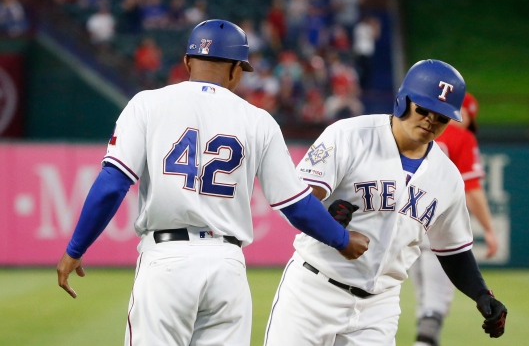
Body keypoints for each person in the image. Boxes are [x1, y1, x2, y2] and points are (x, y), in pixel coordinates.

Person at [56, 19, 370, 346]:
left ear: (187, 62)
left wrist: (76, 248)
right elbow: (297, 205)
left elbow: (113, 184)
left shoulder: (147, 104)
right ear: (236, 70)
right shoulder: (258, 120)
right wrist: (342, 239)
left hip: (167, 260)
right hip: (227, 267)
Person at [263, 59, 507, 346]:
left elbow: (454, 250)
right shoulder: (349, 135)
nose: (431, 120)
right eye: (424, 109)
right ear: (403, 100)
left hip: (379, 307)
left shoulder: (448, 176)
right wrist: (328, 219)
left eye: (442, 116)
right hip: (314, 291)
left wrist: (482, 294)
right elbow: (296, 200)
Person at [409, 91, 500, 346]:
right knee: (434, 306)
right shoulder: (461, 136)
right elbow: (472, 190)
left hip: (403, 226)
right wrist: (490, 231)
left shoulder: (411, 130)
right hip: (437, 229)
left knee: (420, 302)